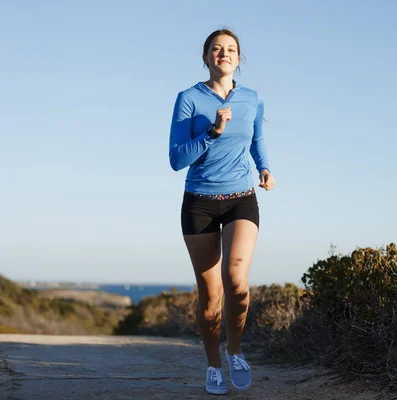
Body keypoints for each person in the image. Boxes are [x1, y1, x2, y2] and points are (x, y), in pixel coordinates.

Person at [168, 28, 275, 395]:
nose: (223, 54)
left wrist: (264, 168)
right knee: (211, 294)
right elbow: (176, 159)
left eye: (230, 49)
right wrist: (212, 132)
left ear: (239, 59)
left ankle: (235, 352)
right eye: (216, 49)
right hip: (199, 202)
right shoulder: (188, 99)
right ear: (206, 57)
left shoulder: (253, 99)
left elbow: (257, 141)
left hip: (242, 197)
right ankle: (213, 366)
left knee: (235, 277)